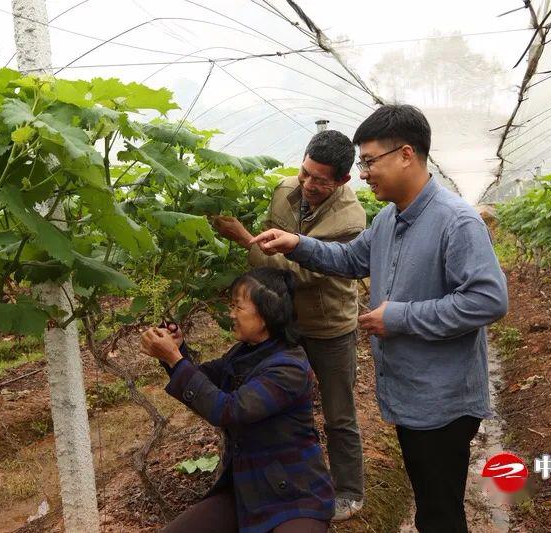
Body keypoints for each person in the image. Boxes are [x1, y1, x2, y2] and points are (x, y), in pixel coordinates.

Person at [250, 105, 509, 533]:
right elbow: (350, 258)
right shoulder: (390, 219)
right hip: (411, 394)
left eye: (370, 161)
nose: (364, 173)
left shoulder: (456, 221)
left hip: (442, 401)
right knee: (430, 502)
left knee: (440, 513)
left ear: (406, 154)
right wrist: (296, 243)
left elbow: (488, 300)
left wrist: (401, 317)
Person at [211, 130, 367, 521]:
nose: (308, 184)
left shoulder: (351, 219)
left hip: (329, 325)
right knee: (281, 405)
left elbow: (305, 272)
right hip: (286, 320)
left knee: (338, 412)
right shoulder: (284, 190)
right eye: (305, 172)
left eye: (320, 180)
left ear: (343, 180)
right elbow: (270, 235)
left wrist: (244, 239)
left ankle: (349, 491)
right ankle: (283, 480)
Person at [140, 267, 334, 533]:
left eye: (238, 307)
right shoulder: (245, 353)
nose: (231, 314)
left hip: (294, 495)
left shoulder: (289, 368)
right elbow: (205, 382)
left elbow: (227, 410)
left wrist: (175, 359)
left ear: (266, 313)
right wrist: (176, 353)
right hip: (246, 489)